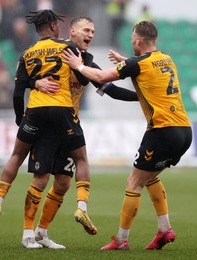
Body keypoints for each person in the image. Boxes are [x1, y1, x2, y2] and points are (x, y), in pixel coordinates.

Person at [62, 20, 192, 250]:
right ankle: (164, 229)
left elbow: (102, 79)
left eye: (133, 37)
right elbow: (146, 70)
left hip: (162, 130)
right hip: (184, 131)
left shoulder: (136, 64)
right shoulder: (167, 59)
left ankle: (121, 241)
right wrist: (126, 62)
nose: (131, 40)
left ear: (138, 40)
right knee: (149, 177)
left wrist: (78, 66)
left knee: (133, 183)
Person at [20, 16, 140, 250]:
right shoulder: (56, 51)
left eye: (93, 31)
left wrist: (142, 97)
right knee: (41, 178)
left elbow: (111, 90)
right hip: (46, 124)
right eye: (86, 30)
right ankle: (26, 234)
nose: (91, 34)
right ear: (72, 32)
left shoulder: (85, 62)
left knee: (63, 182)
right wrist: (36, 83)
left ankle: (41, 232)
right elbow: (25, 75)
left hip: (68, 123)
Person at [0, 9, 95, 249]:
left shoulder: (27, 53)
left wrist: (19, 118)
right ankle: (82, 207)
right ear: (55, 26)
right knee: (81, 160)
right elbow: (87, 78)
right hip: (63, 112)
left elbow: (17, 92)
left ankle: (2, 204)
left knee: (28, 162)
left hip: (34, 112)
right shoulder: (69, 47)